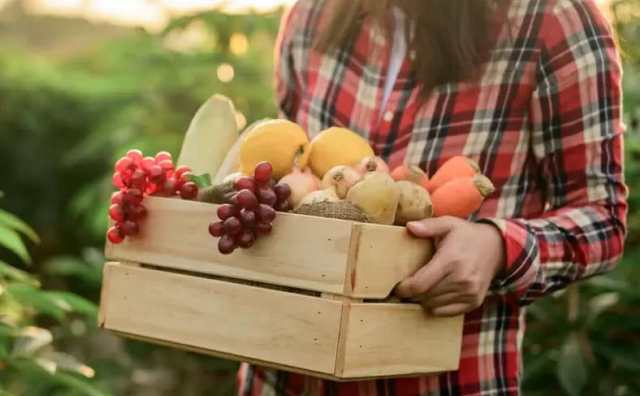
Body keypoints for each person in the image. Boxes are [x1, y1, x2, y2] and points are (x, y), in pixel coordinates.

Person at [237, 0, 627, 394]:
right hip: (282, 375)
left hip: (446, 380)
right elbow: (286, 173)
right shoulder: (311, 14)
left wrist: (498, 247)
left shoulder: (552, 20)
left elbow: (603, 217)